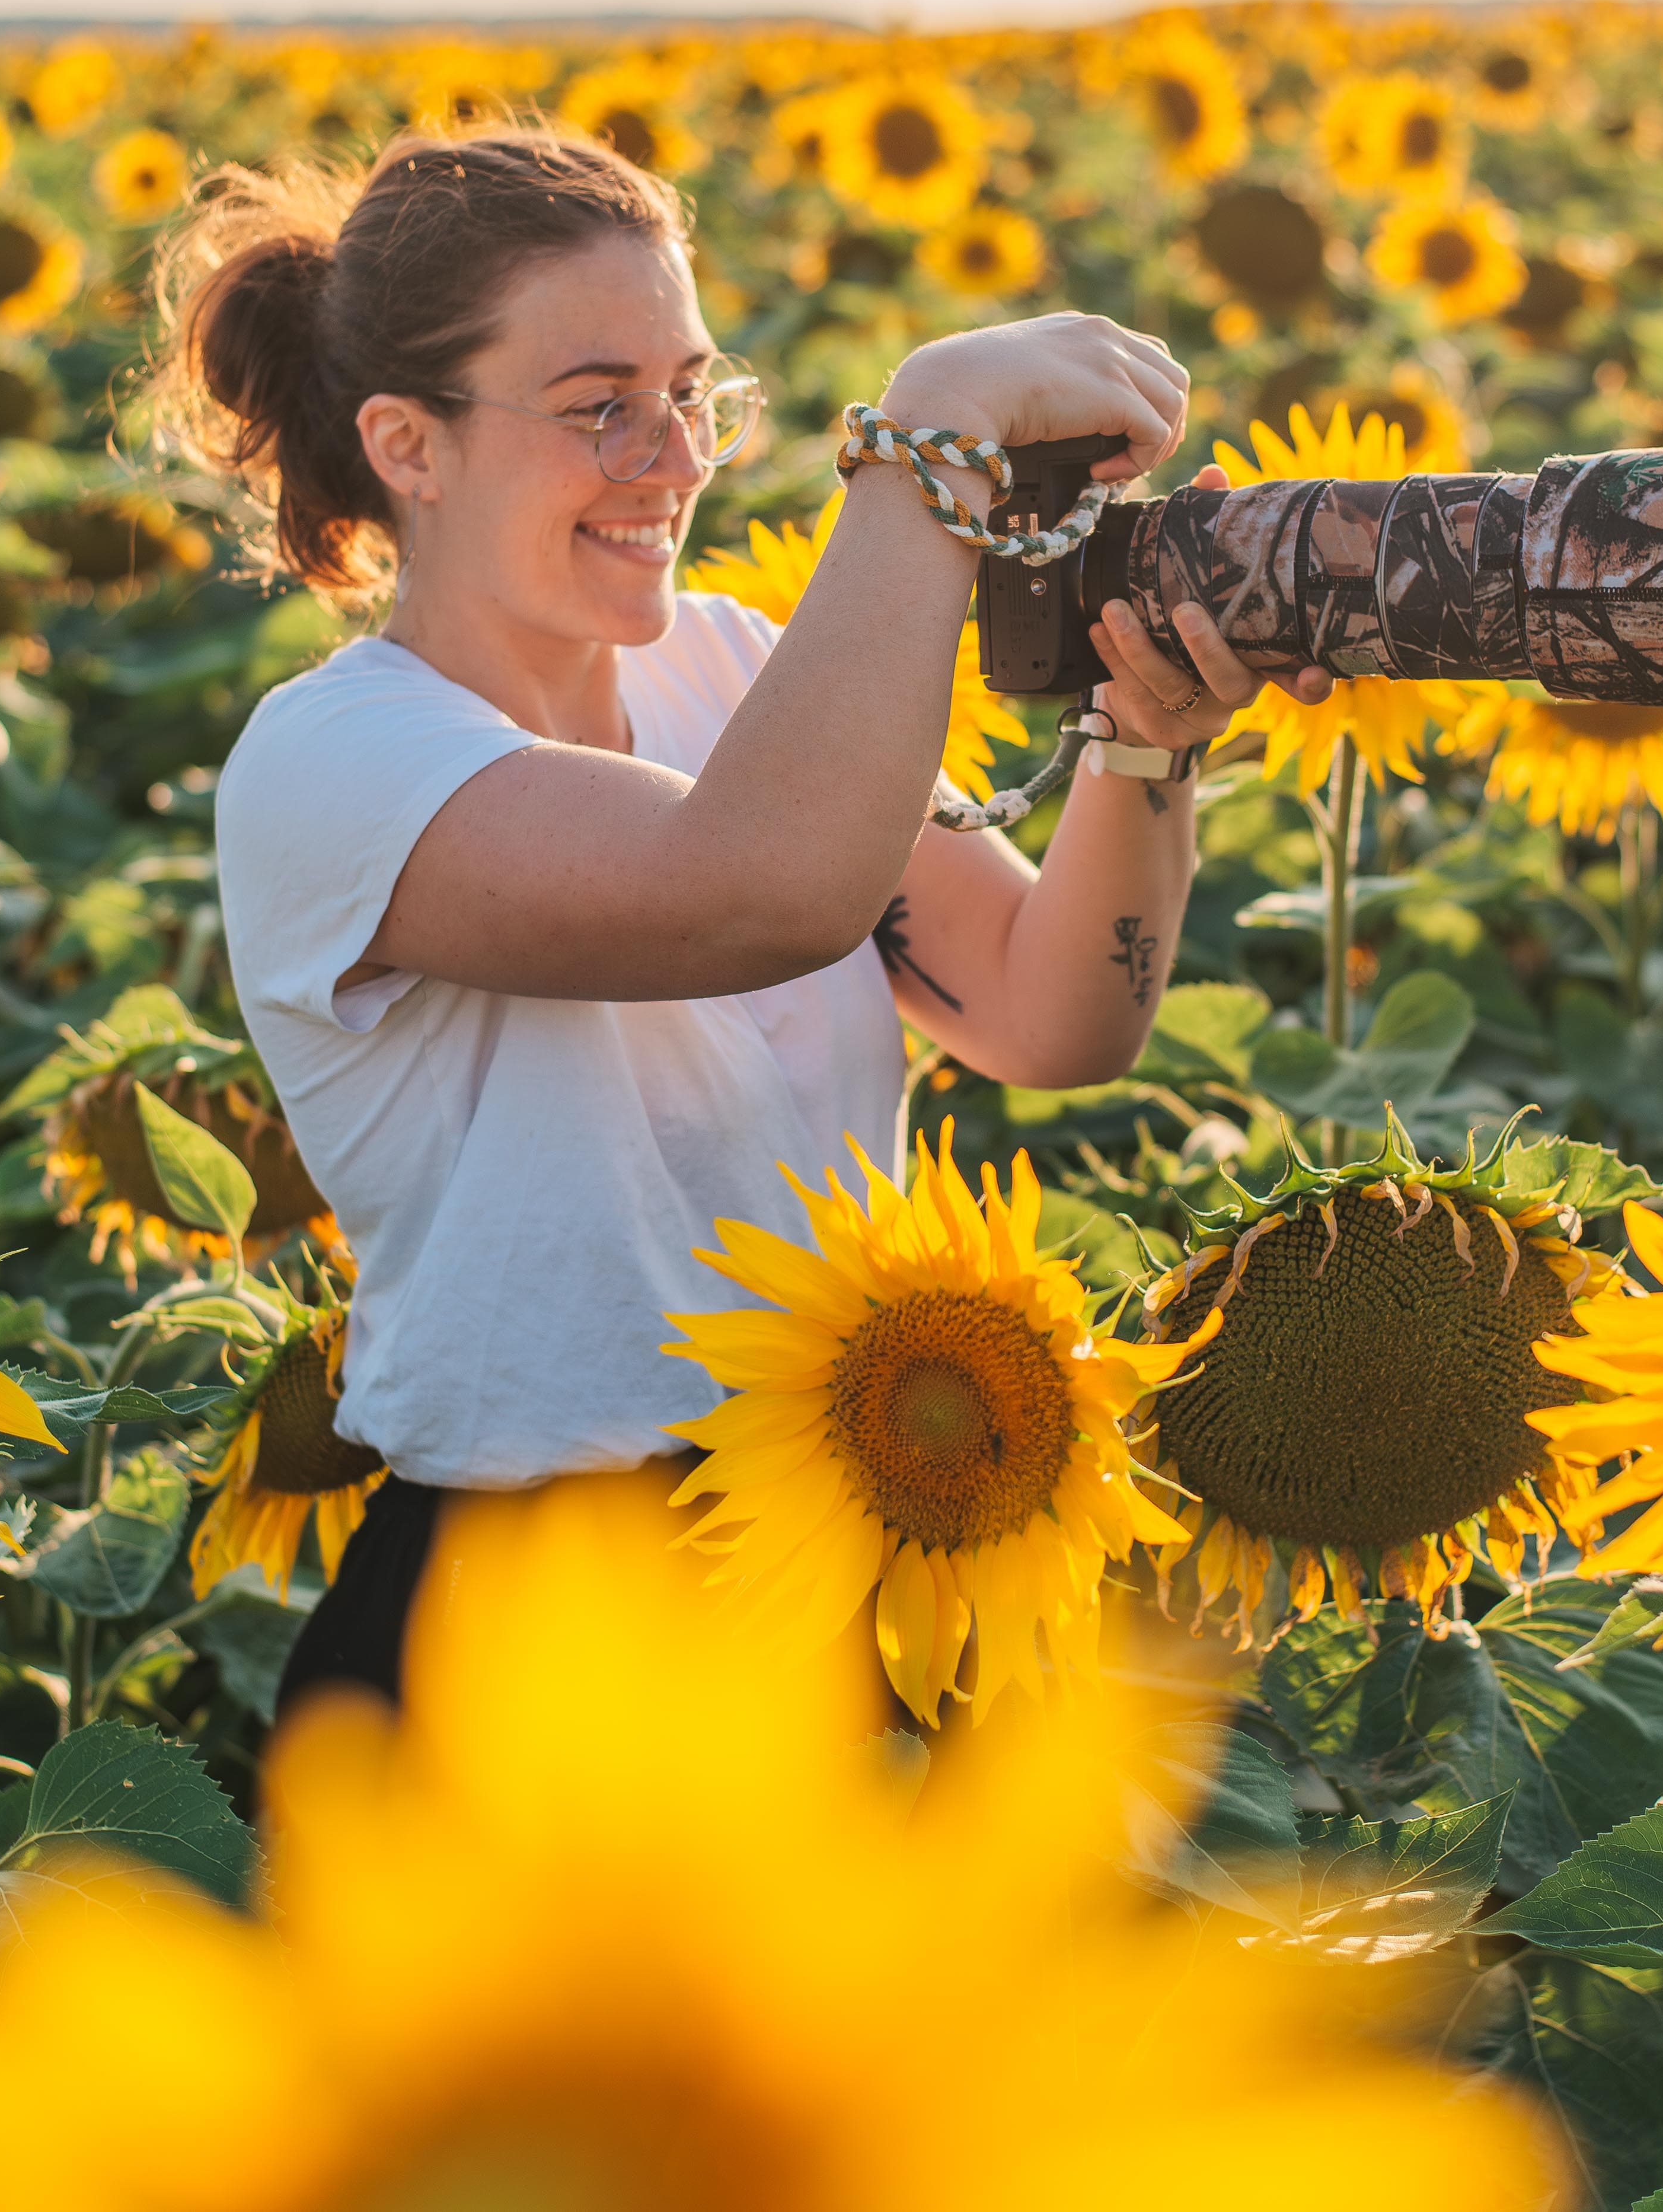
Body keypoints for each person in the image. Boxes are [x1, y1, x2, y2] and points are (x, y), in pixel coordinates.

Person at [167, 120, 1325, 1710]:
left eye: (691, 393)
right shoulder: (332, 764)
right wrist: (929, 443)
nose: (676, 460)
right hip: (536, 1623)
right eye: (602, 408)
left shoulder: (726, 668)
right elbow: (760, 890)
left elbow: (1048, 1012)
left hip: (848, 1535)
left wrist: (1144, 745)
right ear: (408, 447)